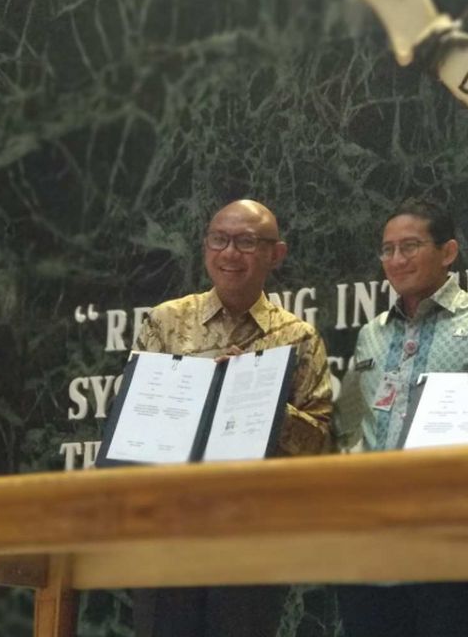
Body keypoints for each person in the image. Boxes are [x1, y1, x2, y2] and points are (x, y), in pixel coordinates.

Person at [132, 199, 333, 637]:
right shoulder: (165, 321)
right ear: (205, 248)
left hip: (255, 534)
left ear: (275, 254)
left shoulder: (297, 336)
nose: (229, 254)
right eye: (219, 240)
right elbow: (135, 424)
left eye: (246, 242)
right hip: (169, 528)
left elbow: (320, 443)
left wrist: (256, 395)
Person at [334, 197, 468, 637]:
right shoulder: (370, 334)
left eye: (410, 246)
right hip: (368, 549)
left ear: (448, 252)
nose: (396, 260)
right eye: (387, 249)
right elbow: (352, 429)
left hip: (451, 544)